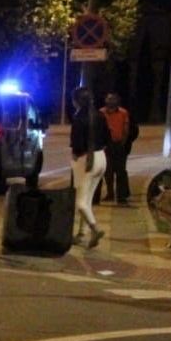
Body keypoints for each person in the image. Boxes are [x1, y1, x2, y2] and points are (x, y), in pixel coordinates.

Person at [69, 88, 109, 249]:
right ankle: (81, 234)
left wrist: (76, 154)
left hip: (86, 160)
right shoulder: (100, 115)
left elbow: (77, 143)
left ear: (77, 101)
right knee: (88, 199)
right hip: (101, 158)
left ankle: (95, 228)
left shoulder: (79, 118)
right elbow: (107, 137)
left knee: (80, 202)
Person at [99, 92, 138, 206]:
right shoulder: (101, 113)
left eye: (113, 99)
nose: (111, 101)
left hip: (119, 145)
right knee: (107, 171)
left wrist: (123, 143)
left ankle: (122, 196)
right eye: (109, 98)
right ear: (105, 100)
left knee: (121, 171)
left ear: (118, 101)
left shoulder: (123, 113)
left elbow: (126, 129)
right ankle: (110, 193)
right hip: (106, 146)